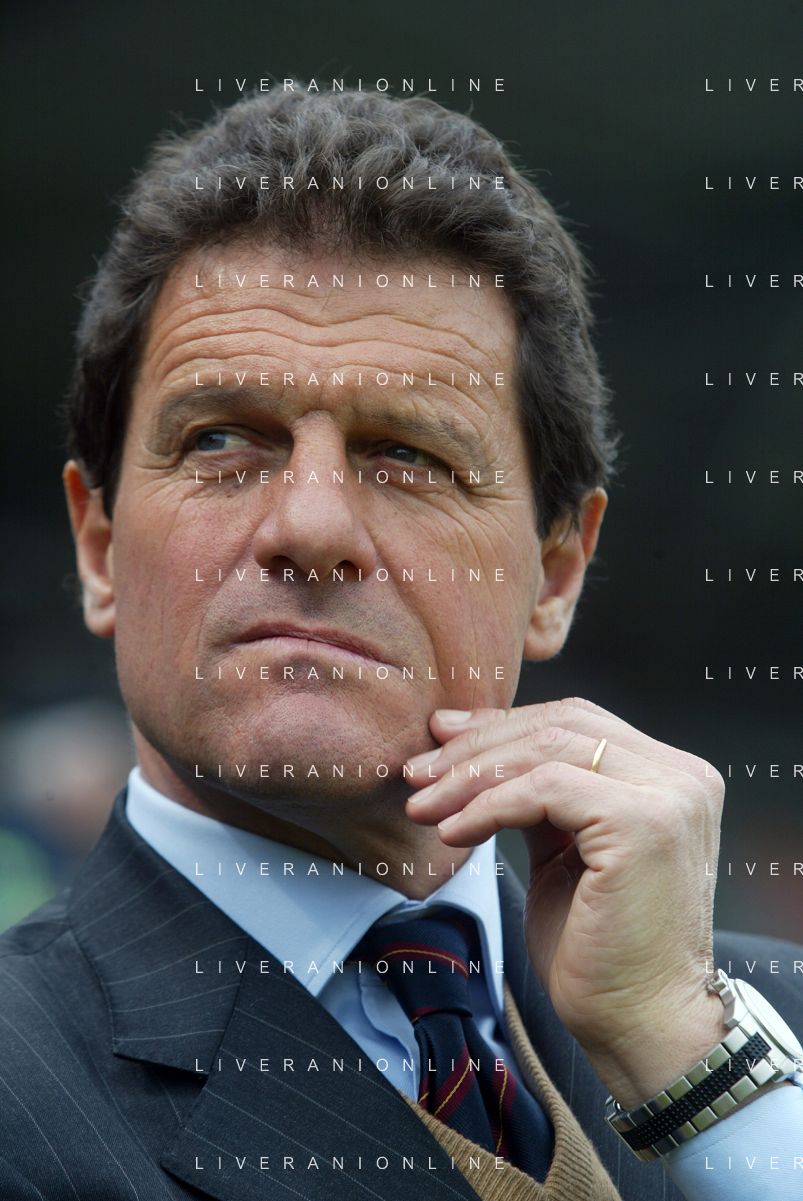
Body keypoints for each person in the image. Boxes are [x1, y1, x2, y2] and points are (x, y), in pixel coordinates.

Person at [1, 89, 801, 1201]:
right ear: (97, 548)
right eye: (221, 438)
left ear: (555, 573)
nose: (308, 526)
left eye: (410, 455)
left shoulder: (756, 1044)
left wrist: (694, 1068)